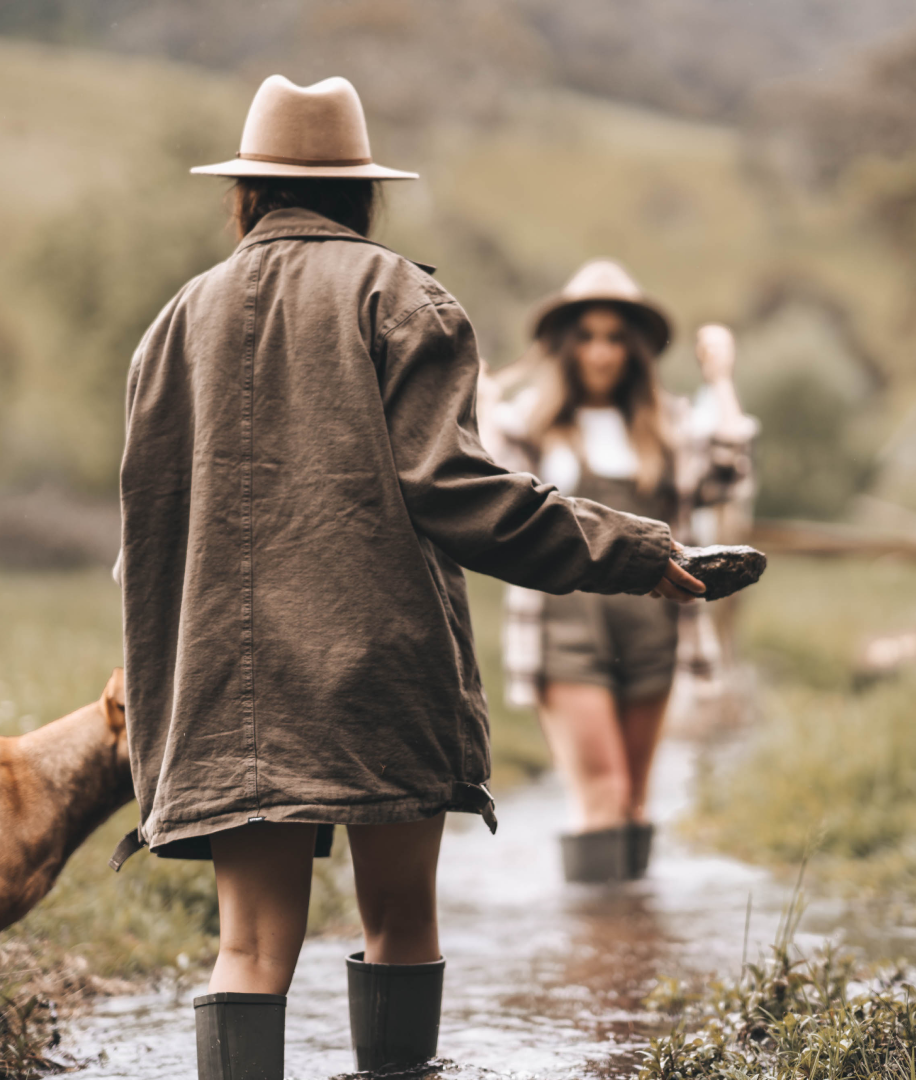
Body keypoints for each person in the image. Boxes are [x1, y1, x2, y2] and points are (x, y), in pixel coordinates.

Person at [110, 75, 705, 1080]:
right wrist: (632, 549)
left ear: (245, 193)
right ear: (364, 194)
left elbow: (149, 530)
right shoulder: (400, 297)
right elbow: (460, 492)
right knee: (399, 923)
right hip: (378, 669)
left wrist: (146, 673)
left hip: (222, 683)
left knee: (248, 950)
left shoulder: (177, 320)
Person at [481, 260, 751, 884]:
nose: (601, 352)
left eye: (614, 337)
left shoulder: (670, 426)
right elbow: (488, 488)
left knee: (634, 799)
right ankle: (598, 960)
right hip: (565, 627)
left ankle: (633, 955)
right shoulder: (528, 425)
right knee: (601, 798)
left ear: (634, 348)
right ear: (565, 345)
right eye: (587, 336)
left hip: (654, 626)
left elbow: (728, 475)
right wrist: (483, 400)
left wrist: (722, 378)